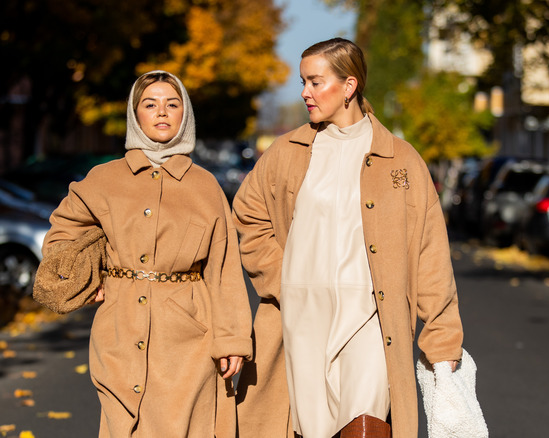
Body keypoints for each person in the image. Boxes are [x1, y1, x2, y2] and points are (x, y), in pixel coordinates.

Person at [232, 38, 463, 438]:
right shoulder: (287, 152)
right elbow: (248, 215)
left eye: (315, 82)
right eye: (304, 81)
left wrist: (442, 340)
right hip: (302, 319)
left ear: (349, 86)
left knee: (366, 422)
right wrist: (280, 278)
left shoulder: (401, 159)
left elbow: (430, 252)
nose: (305, 92)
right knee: (312, 427)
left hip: (372, 319)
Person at [35, 70, 253, 438]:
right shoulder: (103, 180)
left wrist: (231, 339)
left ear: (186, 115)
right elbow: (62, 232)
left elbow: (224, 267)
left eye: (173, 104)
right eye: (150, 104)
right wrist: (86, 281)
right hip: (117, 328)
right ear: (134, 115)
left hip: (188, 337)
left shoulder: (205, 186)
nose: (162, 112)